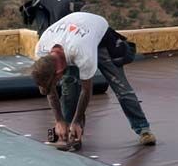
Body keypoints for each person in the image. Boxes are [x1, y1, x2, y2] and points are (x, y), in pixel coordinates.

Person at [29, 10, 156, 149]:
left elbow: (86, 90)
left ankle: (143, 129)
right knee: (69, 88)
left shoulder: (82, 53)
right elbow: (50, 91)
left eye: (55, 80)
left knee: (121, 87)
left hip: (100, 39)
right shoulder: (41, 50)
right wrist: (59, 120)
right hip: (71, 39)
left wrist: (77, 120)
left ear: (58, 72)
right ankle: (70, 134)